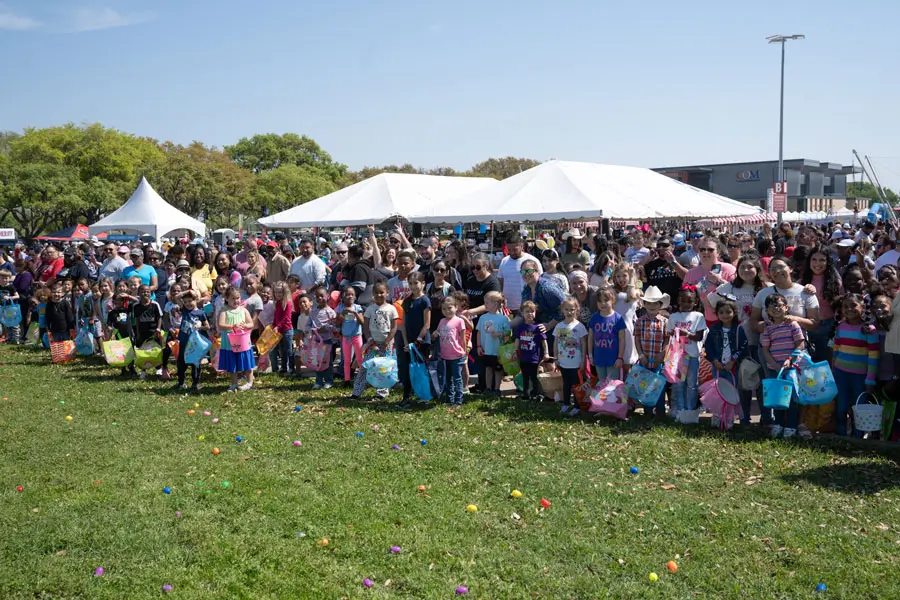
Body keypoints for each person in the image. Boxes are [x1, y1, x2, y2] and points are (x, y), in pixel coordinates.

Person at [708, 254, 773, 426]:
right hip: (737, 342)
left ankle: (767, 415)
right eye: (742, 267)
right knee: (743, 381)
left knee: (762, 380)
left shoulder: (767, 288)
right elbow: (711, 300)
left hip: (762, 341)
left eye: (750, 267)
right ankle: (744, 416)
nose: (746, 270)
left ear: (757, 270)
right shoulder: (730, 287)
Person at [831, 293, 880, 436]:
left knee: (858, 407)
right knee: (841, 406)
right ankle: (841, 434)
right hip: (841, 374)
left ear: (862, 307)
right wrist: (834, 371)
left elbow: (874, 356)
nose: (849, 309)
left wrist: (870, 379)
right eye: (845, 306)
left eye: (853, 305)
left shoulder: (869, 330)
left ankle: (858, 436)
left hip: (860, 377)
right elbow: (836, 350)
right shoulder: (840, 326)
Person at [760, 292, 807, 438]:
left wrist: (790, 359)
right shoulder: (768, 329)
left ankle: (791, 426)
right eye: (771, 306)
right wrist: (773, 364)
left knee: (792, 399)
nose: (775, 309)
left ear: (786, 308)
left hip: (792, 368)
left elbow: (800, 344)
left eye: (779, 305)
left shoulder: (792, 324)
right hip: (775, 369)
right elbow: (765, 350)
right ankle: (778, 424)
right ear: (767, 311)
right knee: (778, 399)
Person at [704, 298, 749, 426]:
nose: (725, 315)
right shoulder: (714, 329)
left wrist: (733, 360)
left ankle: (729, 418)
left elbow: (743, 346)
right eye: (721, 312)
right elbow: (708, 346)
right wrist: (714, 360)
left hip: (732, 367)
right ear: (717, 314)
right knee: (717, 390)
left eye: (728, 312)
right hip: (717, 366)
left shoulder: (739, 328)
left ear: (734, 313)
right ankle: (717, 416)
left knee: (731, 391)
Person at [665, 285, 707, 422]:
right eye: (683, 300)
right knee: (679, 384)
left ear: (695, 302)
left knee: (692, 384)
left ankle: (690, 410)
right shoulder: (673, 317)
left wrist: (687, 334)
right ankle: (680, 410)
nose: (686, 304)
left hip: (693, 355)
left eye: (689, 301)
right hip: (677, 357)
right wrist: (673, 334)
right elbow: (669, 335)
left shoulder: (698, 316)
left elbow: (699, 336)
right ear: (678, 301)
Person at [352, 282, 399, 400]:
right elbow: (366, 327)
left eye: (382, 292)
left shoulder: (391, 309)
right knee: (364, 367)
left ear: (387, 293)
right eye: (376, 293)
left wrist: (387, 342)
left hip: (386, 344)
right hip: (372, 344)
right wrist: (371, 341)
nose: (379, 295)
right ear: (373, 294)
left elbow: (394, 328)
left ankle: (381, 393)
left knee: (383, 368)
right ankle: (356, 392)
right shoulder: (370, 309)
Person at [634, 286, 670, 417]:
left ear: (660, 304)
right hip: (645, 359)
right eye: (648, 303)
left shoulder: (665, 321)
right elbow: (637, 339)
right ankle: (648, 411)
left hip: (658, 359)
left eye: (655, 303)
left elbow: (667, 339)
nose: (652, 306)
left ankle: (660, 411)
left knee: (659, 385)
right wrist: (641, 354)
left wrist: (663, 353)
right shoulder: (640, 321)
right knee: (646, 384)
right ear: (644, 304)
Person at [683, 237, 736, 325]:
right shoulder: (691, 273)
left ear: (718, 252)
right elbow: (684, 296)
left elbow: (736, 294)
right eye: (702, 249)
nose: (705, 252)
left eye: (710, 250)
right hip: (699, 320)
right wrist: (697, 288)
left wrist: (719, 281)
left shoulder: (729, 269)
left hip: (726, 319)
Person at [553, 296, 588, 416]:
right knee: (566, 384)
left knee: (576, 385)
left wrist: (583, 360)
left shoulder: (580, 327)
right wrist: (555, 358)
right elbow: (556, 343)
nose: (569, 312)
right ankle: (566, 404)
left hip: (576, 363)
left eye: (572, 309)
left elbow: (584, 344)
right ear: (562, 310)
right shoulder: (559, 326)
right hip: (563, 362)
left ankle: (577, 406)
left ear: (576, 310)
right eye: (566, 309)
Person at [217, 286, 256, 392]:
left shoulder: (243, 310)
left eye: (238, 298)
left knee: (246, 362)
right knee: (232, 363)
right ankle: (234, 383)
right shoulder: (224, 311)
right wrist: (233, 326)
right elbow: (220, 325)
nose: (236, 301)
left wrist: (245, 326)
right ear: (227, 298)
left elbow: (251, 323)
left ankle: (249, 382)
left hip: (243, 342)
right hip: (230, 343)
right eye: (233, 298)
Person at [476, 291, 511, 398]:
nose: (485, 305)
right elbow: (479, 332)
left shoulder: (503, 318)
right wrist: (478, 346)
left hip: (498, 350)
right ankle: (488, 388)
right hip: (487, 349)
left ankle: (497, 388)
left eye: (487, 303)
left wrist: (499, 334)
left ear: (495, 304)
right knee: (488, 369)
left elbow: (508, 333)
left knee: (498, 370)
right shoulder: (483, 318)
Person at [588, 287, 627, 382]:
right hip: (598, 359)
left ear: (613, 300)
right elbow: (590, 337)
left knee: (611, 386)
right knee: (601, 384)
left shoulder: (618, 318)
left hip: (613, 360)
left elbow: (622, 339)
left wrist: (620, 357)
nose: (602, 303)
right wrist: (590, 356)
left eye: (606, 300)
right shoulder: (594, 318)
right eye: (600, 301)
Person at [498, 232, 542, 314]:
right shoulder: (504, 261)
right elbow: (501, 282)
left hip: (528, 307)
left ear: (522, 246)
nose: (512, 252)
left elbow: (540, 282)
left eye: (515, 249)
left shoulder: (532, 260)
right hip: (508, 307)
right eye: (509, 249)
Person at [514, 300, 549, 400]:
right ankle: (526, 393)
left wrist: (546, 353)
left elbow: (544, 341)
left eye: (532, 311)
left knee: (534, 376)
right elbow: (517, 340)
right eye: (527, 311)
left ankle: (536, 393)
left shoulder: (538, 327)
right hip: (523, 357)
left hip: (534, 357)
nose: (530, 314)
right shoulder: (520, 327)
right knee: (525, 376)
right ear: (522, 313)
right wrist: (515, 351)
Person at [175, 290, 209, 391]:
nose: (188, 303)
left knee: (195, 363)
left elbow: (207, 326)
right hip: (184, 341)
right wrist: (188, 291)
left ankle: (195, 383)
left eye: (190, 301)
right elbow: (177, 297)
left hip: (195, 343)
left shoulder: (201, 313)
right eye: (186, 302)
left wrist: (200, 327)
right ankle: (181, 383)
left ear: (196, 300)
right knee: (181, 363)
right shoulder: (184, 310)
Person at [611, 263, 641, 373]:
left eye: (624, 275)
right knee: (617, 361)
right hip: (615, 327)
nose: (621, 279)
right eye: (618, 276)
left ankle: (626, 386)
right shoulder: (614, 290)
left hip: (628, 328)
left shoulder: (635, 290)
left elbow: (631, 296)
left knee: (627, 362)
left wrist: (632, 276)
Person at [131, 284, 163, 379]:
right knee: (142, 351)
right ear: (138, 293)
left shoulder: (155, 304)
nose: (145, 293)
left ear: (150, 293)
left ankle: (158, 368)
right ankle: (143, 370)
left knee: (156, 350)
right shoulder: (136, 306)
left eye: (148, 291)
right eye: (143, 291)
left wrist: (158, 328)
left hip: (154, 332)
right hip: (142, 332)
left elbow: (159, 317)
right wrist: (137, 333)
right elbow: (137, 320)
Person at [310, 287, 337, 390]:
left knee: (327, 362)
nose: (319, 298)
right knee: (318, 361)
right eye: (317, 296)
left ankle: (329, 381)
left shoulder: (330, 312)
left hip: (327, 341)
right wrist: (312, 329)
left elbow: (334, 326)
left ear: (327, 296)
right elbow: (309, 324)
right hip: (316, 342)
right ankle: (318, 381)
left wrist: (325, 328)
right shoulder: (313, 311)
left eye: (322, 296)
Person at [642, 238, 683, 303]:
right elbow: (638, 278)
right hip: (655, 305)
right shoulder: (650, 264)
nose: (661, 248)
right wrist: (645, 260)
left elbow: (687, 277)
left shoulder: (680, 261)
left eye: (665, 245)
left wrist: (673, 263)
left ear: (672, 247)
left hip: (674, 304)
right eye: (658, 246)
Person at [268, 281, 294, 375]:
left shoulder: (288, 303)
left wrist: (277, 327)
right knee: (282, 350)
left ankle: (291, 368)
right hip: (279, 330)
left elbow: (286, 318)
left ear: (285, 292)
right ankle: (284, 367)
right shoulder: (277, 303)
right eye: (276, 292)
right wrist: (273, 324)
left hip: (287, 330)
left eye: (280, 292)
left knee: (289, 350)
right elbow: (276, 316)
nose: (278, 294)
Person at [0, 269, 20, 344]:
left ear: (9, 278)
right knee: (7, 323)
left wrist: (9, 298)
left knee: (14, 324)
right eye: (3, 278)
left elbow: (17, 296)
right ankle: (9, 338)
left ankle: (16, 339)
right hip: (3, 308)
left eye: (7, 278)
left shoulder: (11, 287)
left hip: (11, 308)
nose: (5, 280)